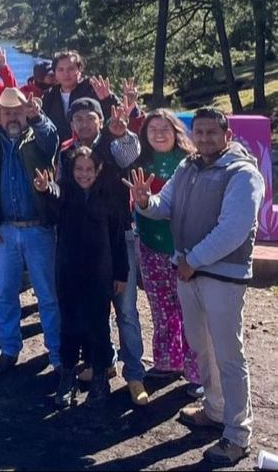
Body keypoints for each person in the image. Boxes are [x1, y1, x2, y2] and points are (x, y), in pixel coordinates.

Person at [127, 107, 264, 467]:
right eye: (199, 132)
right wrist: (145, 202)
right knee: (202, 347)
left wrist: (192, 260)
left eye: (211, 133)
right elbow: (164, 206)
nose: (203, 138)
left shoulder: (243, 174)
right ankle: (215, 409)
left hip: (221, 277)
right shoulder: (188, 168)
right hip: (190, 273)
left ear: (227, 136)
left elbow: (233, 229)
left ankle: (237, 434)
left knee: (228, 356)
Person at [58, 96, 147, 404]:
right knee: (91, 309)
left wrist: (121, 132)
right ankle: (102, 365)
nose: (84, 123)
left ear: (99, 120)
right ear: (72, 124)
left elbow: (129, 153)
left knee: (125, 310)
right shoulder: (67, 153)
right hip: (86, 242)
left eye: (90, 118)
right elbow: (63, 194)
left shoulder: (112, 144)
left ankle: (134, 373)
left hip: (118, 235)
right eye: (78, 119)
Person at [0, 87, 61, 374]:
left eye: (16, 110)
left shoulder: (39, 139)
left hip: (39, 230)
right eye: (6, 111)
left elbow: (52, 139)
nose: (11, 116)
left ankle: (57, 353)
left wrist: (39, 118)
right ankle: (9, 348)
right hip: (5, 231)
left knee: (47, 295)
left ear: (26, 111)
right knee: (5, 294)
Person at [36, 147, 128, 409]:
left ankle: (100, 377)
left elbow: (118, 239)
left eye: (89, 169)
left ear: (98, 169)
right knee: (70, 325)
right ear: (71, 170)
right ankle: (67, 376)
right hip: (68, 271)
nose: (84, 174)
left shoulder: (109, 197)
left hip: (100, 272)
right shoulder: (63, 194)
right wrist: (44, 191)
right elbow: (50, 210)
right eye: (79, 169)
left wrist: (121, 273)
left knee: (98, 326)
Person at [131, 109, 201, 393]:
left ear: (176, 131)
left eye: (165, 128)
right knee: (161, 308)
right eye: (152, 129)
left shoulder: (191, 163)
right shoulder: (139, 162)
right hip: (149, 245)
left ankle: (197, 372)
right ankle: (167, 361)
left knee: (192, 311)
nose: (159, 133)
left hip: (185, 249)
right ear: (145, 135)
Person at [39, 51, 118, 140]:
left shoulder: (95, 89)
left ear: (80, 70)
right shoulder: (49, 96)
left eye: (71, 69)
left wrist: (108, 101)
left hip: (92, 148)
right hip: (59, 149)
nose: (66, 74)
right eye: (61, 69)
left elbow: (117, 117)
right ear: (55, 72)